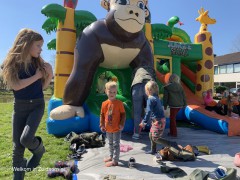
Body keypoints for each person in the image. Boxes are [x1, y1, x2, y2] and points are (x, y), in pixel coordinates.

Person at [1, 28, 53, 180]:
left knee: (26, 139)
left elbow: (41, 87)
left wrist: (49, 75)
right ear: (27, 44)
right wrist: (37, 76)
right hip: (20, 107)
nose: (40, 49)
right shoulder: (10, 64)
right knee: (17, 147)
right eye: (38, 45)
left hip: (37, 105)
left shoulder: (39, 63)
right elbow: (16, 86)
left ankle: (39, 150)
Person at [99, 81, 126, 167]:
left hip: (117, 128)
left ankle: (115, 161)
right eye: (110, 91)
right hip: (108, 128)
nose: (112, 93)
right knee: (110, 143)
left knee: (116, 144)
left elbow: (123, 114)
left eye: (114, 92)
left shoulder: (119, 103)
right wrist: (102, 124)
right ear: (106, 91)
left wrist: (121, 124)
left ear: (116, 92)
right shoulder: (104, 104)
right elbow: (102, 115)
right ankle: (111, 156)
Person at [139, 81, 166, 154]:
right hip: (160, 120)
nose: (145, 92)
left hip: (158, 121)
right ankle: (153, 150)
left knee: (155, 137)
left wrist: (144, 122)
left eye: (146, 90)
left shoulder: (150, 99)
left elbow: (148, 112)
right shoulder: (157, 97)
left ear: (149, 90)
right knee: (151, 134)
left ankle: (169, 144)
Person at [131, 66, 156, 140]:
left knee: (137, 112)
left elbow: (132, 79)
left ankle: (136, 134)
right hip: (149, 84)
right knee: (152, 111)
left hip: (136, 85)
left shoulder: (136, 69)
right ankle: (154, 133)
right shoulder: (151, 68)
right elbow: (155, 80)